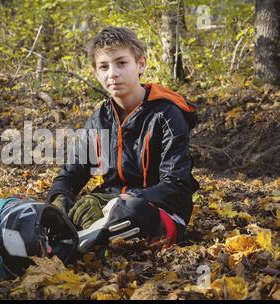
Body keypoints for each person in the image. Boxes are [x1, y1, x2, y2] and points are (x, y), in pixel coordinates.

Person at [47, 26, 200, 247]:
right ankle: (81, 239)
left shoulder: (167, 114)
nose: (113, 74)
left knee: (130, 211)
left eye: (121, 63)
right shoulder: (98, 120)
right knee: (54, 214)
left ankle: (86, 238)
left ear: (140, 64)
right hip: (109, 206)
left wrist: (112, 201)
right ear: (96, 73)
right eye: (104, 67)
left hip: (161, 211)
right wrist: (59, 199)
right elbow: (69, 175)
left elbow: (176, 186)